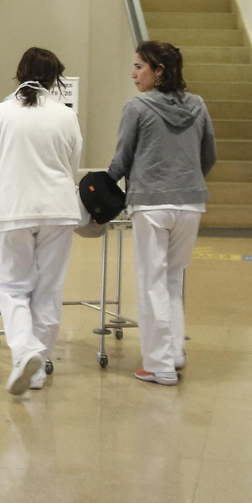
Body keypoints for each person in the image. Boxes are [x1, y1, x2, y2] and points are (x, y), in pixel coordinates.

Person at [0, 47, 84, 396]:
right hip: (58, 210)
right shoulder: (66, 115)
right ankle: (36, 372)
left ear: (18, 74)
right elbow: (72, 163)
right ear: (56, 79)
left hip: (10, 209)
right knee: (48, 289)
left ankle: (25, 352)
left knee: (11, 287)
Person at [107, 40, 217, 386]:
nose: (133, 73)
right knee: (173, 279)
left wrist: (102, 190)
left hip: (152, 205)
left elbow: (122, 158)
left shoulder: (137, 107)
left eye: (140, 66)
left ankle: (159, 365)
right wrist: (186, 180)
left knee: (151, 281)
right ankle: (174, 352)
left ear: (159, 71)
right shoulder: (198, 105)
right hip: (191, 204)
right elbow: (209, 155)